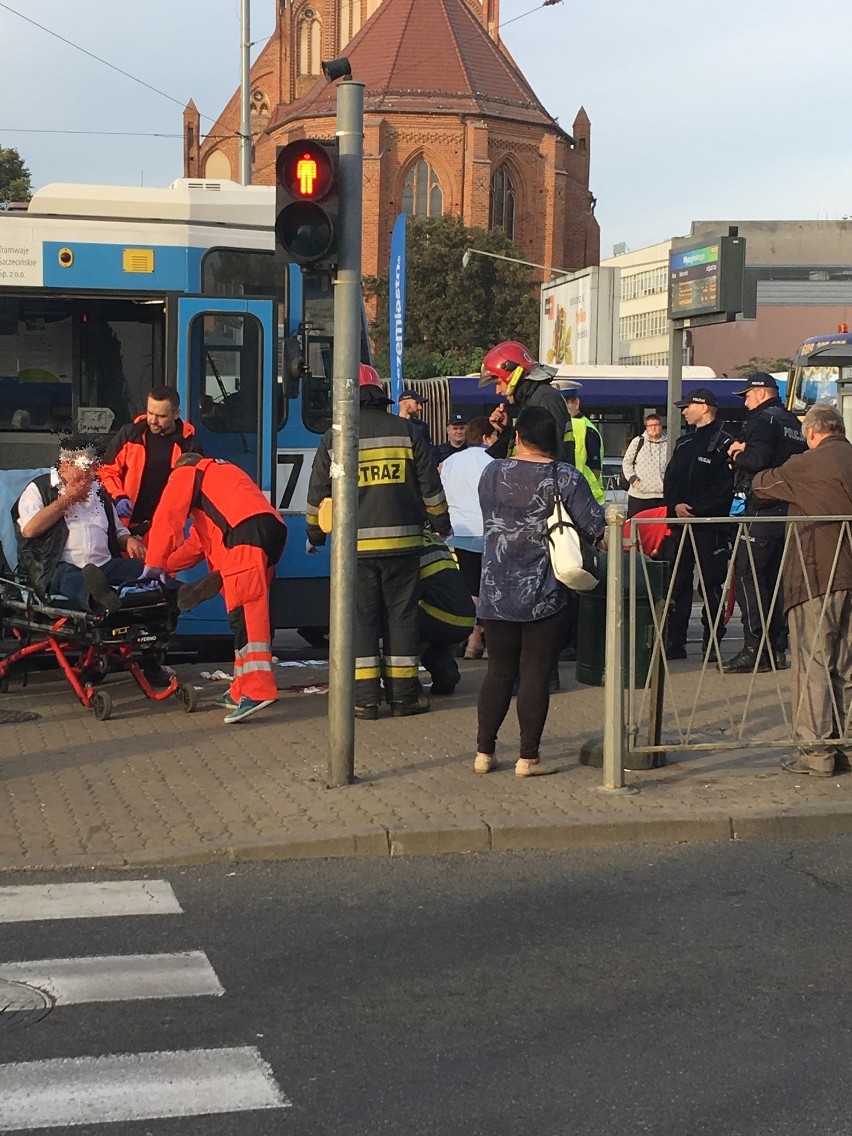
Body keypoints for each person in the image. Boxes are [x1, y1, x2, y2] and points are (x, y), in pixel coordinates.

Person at [306, 364, 451, 719]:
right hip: (403, 545)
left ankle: (364, 700)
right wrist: (441, 522)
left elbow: (317, 494)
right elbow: (430, 486)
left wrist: (315, 533)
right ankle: (404, 697)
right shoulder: (406, 431)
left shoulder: (335, 438)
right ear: (378, 395)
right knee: (402, 618)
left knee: (361, 620)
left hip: (353, 551)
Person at [474, 405, 605, 777]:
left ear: (518, 437)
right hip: (544, 590)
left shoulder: (491, 472)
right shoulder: (564, 476)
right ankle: (528, 758)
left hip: (496, 588)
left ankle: (484, 752)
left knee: (498, 670)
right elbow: (596, 524)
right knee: (534, 671)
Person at [145, 453, 287, 724]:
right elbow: (197, 544)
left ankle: (258, 690)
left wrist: (152, 564)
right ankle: (238, 690)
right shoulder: (222, 477)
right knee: (248, 610)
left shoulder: (187, 471)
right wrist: (168, 566)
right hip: (269, 530)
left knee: (245, 613)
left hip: (243, 534)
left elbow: (168, 515)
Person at [751, 404, 852, 777]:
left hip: (817, 574)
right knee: (848, 664)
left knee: (813, 663)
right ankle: (849, 746)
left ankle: (816, 751)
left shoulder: (807, 463)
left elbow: (761, 484)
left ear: (812, 433)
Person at [721, 372, 807, 674]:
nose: (745, 402)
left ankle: (754, 646)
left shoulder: (761, 420)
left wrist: (736, 454)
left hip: (763, 507)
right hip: (789, 509)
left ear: (761, 393)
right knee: (773, 579)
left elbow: (757, 459)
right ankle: (776, 647)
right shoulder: (793, 423)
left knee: (746, 574)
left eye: (747, 395)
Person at [15, 435, 147, 613]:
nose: (93, 473)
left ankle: (177, 591)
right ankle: (99, 599)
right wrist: (68, 499)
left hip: (104, 567)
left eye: (94, 466)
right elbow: (30, 530)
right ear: (66, 465)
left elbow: (118, 532)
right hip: (57, 567)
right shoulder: (39, 489)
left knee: (145, 569)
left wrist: (129, 540)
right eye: (87, 467)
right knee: (71, 579)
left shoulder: (98, 491)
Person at [662, 388, 734, 660]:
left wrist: (697, 510)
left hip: (710, 526)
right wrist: (675, 505)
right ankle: (675, 640)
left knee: (711, 586)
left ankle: (712, 641)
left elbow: (724, 488)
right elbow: (671, 480)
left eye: (687, 406)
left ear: (704, 407)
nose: (683, 411)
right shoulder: (683, 443)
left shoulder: (725, 442)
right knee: (677, 583)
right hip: (682, 526)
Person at [99, 385, 202, 537]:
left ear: (176, 414)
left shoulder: (189, 446)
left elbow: (193, 490)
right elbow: (106, 471)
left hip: (165, 530)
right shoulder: (130, 434)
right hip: (126, 527)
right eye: (150, 413)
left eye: (161, 416)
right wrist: (118, 496)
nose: (153, 420)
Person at [439, 415, 497, 659]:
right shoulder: (492, 463)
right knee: (490, 588)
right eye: (494, 435)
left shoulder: (449, 462)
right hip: (487, 533)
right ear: (486, 437)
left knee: (471, 588)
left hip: (458, 532)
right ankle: (490, 643)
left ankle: (473, 642)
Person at [478, 340, 573, 463]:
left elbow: (546, 459)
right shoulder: (533, 400)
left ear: (513, 376)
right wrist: (506, 431)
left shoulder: (544, 399)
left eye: (498, 383)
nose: (498, 391)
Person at [418, 532, 476, 696]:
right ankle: (445, 671)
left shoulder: (405, 543)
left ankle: (405, 686)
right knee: (423, 634)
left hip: (438, 614)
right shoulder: (428, 537)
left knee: (394, 620)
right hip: (464, 618)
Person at [622, 413, 668, 517]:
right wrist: (634, 480)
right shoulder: (638, 441)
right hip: (639, 496)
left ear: (661, 426)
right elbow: (627, 462)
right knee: (636, 529)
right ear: (646, 427)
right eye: (650, 426)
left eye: (656, 425)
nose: (654, 428)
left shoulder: (669, 444)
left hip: (661, 496)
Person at [564, 392, 605, 505]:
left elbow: (595, 468)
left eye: (564, 404)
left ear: (576, 403)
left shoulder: (587, 429)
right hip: (576, 493)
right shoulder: (566, 425)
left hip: (584, 496)